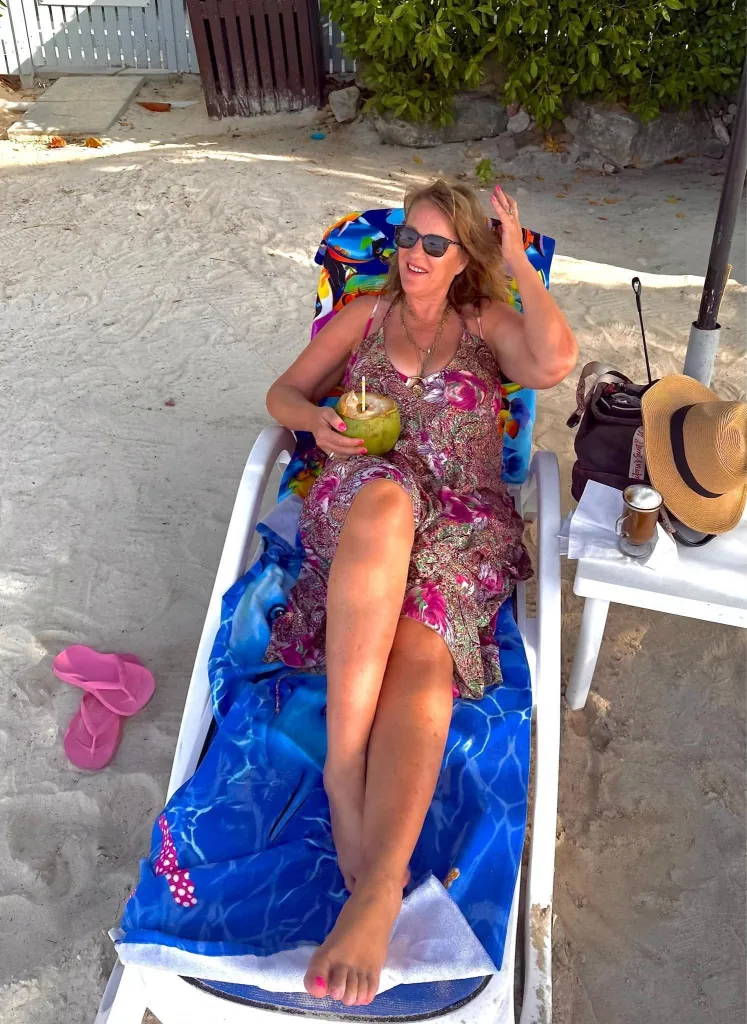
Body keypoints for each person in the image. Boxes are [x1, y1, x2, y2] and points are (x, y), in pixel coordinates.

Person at [265, 179, 577, 1007]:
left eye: (435, 244)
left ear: (464, 256)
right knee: (386, 495)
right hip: (366, 500)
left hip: (462, 525)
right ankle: (343, 769)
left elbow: (552, 361)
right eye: (408, 238)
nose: (413, 255)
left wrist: (517, 262)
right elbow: (283, 393)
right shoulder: (365, 314)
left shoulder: (486, 323)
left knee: (422, 655)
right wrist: (316, 424)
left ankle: (376, 892)